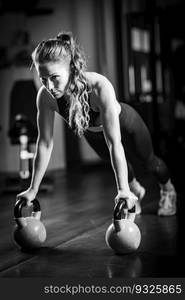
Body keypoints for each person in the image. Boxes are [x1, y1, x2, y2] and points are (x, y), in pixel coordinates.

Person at [16, 31, 177, 218]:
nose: (49, 87)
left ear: (70, 68)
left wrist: (121, 190)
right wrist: (33, 189)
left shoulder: (99, 86)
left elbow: (115, 142)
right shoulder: (45, 97)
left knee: (150, 162)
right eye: (43, 79)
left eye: (54, 78)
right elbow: (44, 143)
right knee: (113, 161)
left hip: (126, 123)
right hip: (92, 133)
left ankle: (168, 190)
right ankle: (135, 191)